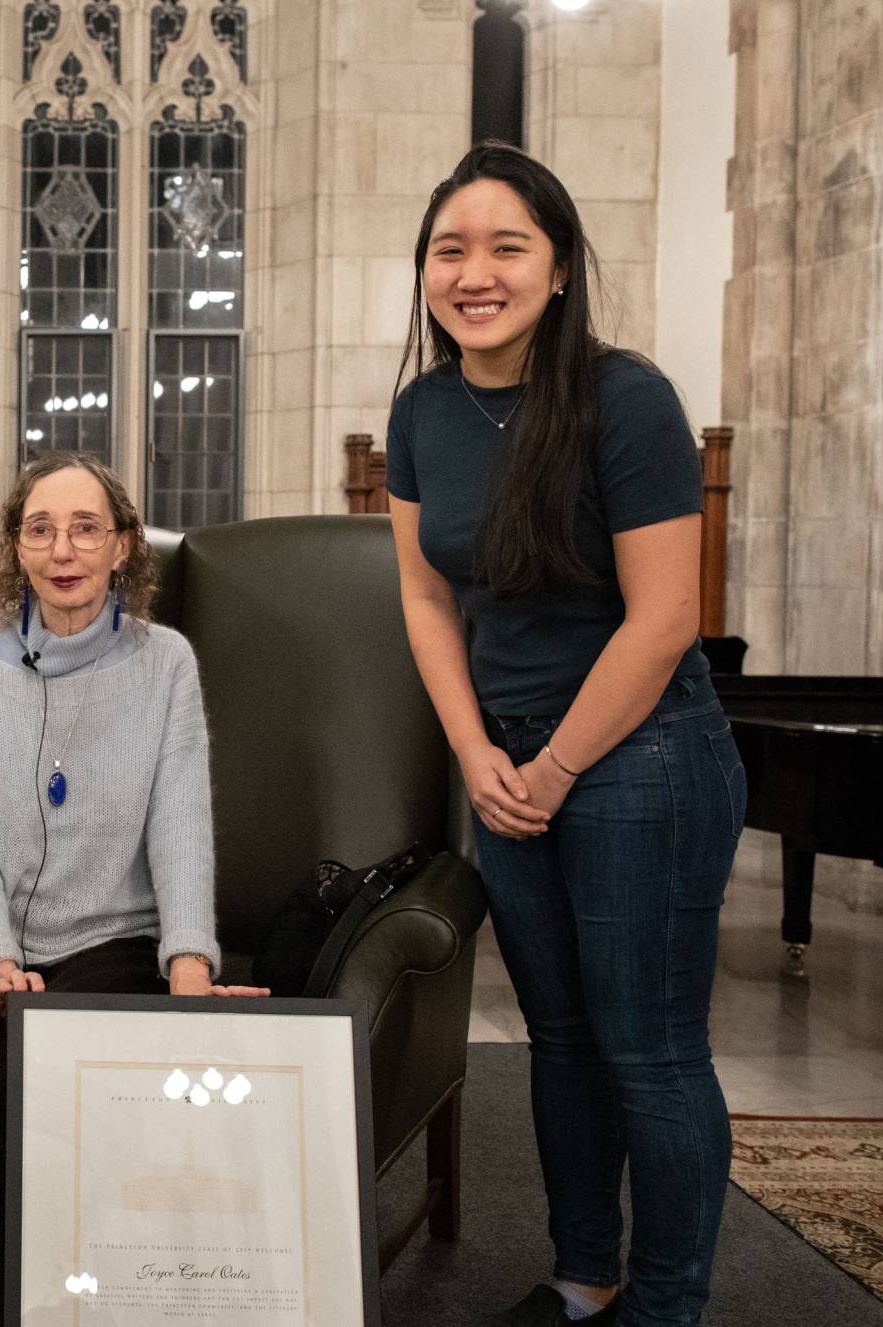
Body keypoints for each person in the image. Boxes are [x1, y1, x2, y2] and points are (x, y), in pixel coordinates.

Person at [385, 143, 746, 1327]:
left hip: (641, 754)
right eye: (451, 248)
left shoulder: (624, 397)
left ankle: (667, 1303)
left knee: (648, 1048)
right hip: (512, 762)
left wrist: (552, 763)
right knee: (559, 1041)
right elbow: (427, 599)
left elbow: (666, 619)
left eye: (506, 246)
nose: (473, 271)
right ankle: (584, 1276)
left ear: (558, 267)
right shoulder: (423, 410)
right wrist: (478, 752)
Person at [0, 452, 266, 1327]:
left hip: (107, 933)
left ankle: (53, 1297)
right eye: (40, 529)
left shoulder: (165, 661)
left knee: (30, 1074)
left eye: (86, 528)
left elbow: (180, 821)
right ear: (17, 549)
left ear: (122, 546)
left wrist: (190, 964)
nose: (64, 549)